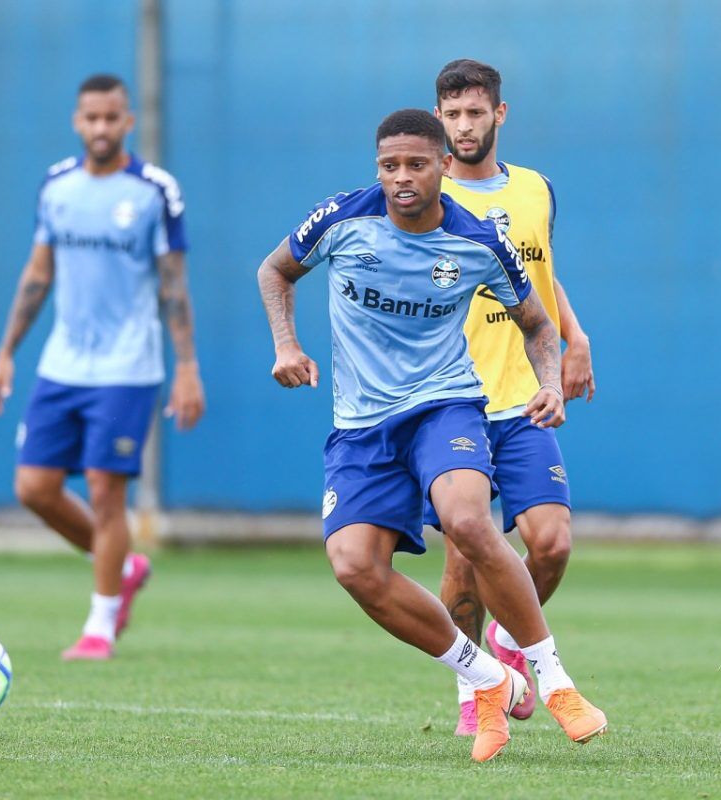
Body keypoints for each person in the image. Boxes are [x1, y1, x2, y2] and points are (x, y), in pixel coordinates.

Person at [255, 108, 605, 762]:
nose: (402, 178)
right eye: (390, 166)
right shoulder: (340, 220)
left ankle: (555, 681)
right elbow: (273, 271)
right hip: (361, 427)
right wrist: (285, 344)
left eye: (417, 164)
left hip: (446, 406)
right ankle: (484, 676)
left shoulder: (478, 242)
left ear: (444, 165)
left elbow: (535, 321)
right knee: (355, 567)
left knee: (469, 524)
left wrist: (550, 382)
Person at [0, 74, 205, 661]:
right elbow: (38, 274)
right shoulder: (57, 187)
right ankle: (124, 565)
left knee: (107, 492)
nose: (101, 128)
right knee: (33, 487)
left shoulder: (155, 191)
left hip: (127, 368)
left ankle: (100, 625)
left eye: (112, 118)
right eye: (91, 118)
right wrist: (7, 351)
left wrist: (187, 367)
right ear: (77, 122)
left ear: (128, 121)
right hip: (63, 364)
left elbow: (173, 285)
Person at [428, 59, 596, 736]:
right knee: (462, 564)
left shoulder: (535, 190)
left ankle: (506, 640)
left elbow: (538, 275)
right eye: (453, 114)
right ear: (439, 117)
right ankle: (477, 689)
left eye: (476, 113)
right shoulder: (422, 195)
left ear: (500, 115)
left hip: (526, 394)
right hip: (451, 398)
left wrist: (575, 337)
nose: (464, 126)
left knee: (551, 543)